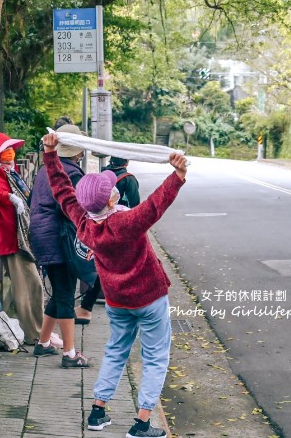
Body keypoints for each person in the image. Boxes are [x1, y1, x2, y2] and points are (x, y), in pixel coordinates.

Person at [41, 131, 187, 437]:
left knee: (115, 351)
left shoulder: (83, 222)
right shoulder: (128, 221)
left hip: (117, 301)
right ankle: (142, 422)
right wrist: (178, 175)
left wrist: (51, 155)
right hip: (149, 298)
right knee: (155, 356)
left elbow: (62, 190)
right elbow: (156, 204)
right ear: (111, 198)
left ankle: (97, 413)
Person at [29, 124, 90, 368]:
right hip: (60, 238)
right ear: (78, 151)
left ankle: (43, 344)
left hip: (43, 236)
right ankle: (70, 354)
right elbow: (74, 209)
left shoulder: (46, 169)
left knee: (58, 291)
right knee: (65, 294)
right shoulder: (72, 173)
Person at [0, 132, 43, 344]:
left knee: (33, 284)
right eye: (5, 150)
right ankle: (35, 334)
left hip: (21, 235)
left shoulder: (10, 173)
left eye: (11, 149)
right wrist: (7, 197)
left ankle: (40, 331)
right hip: (10, 238)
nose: (11, 153)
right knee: (25, 286)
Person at [75, 156, 141, 323]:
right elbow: (136, 205)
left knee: (102, 266)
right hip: (120, 227)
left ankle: (87, 305)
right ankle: (123, 302)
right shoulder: (129, 180)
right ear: (126, 163)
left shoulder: (102, 174)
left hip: (97, 223)